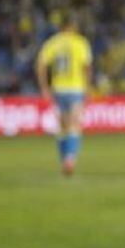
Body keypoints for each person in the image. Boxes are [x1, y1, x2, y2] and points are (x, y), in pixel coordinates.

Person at [36, 16, 93, 177]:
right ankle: (70, 159)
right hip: (75, 88)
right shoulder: (80, 42)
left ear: (60, 28)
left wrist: (44, 87)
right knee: (75, 125)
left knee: (62, 127)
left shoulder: (53, 43)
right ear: (72, 26)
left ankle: (63, 160)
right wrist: (88, 87)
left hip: (58, 89)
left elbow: (40, 64)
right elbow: (87, 67)